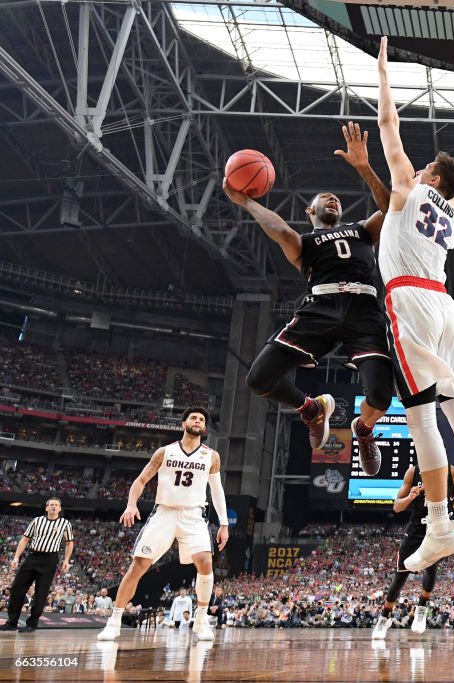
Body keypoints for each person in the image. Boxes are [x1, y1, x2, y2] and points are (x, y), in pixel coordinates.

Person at [376, 36, 454, 570]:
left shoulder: (407, 189)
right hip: (445, 306)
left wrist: (384, 75)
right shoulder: (447, 210)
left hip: (410, 301)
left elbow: (389, 128)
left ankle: (437, 525)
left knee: (422, 421)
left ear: (428, 176)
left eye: (425, 166)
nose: (418, 167)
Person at [222, 122, 394, 475]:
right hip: (320, 308)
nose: (332, 199)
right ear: (309, 211)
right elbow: (280, 230)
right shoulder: (305, 243)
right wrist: (248, 202)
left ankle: (363, 430)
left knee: (380, 397)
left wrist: (363, 167)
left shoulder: (362, 231)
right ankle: (311, 409)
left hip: (364, 309)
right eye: (324, 198)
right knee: (258, 380)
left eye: (337, 199)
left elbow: (393, 207)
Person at [97, 406, 229, 642]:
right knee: (139, 565)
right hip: (165, 513)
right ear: (183, 424)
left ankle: (200, 619)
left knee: (206, 562)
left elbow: (217, 492)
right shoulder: (164, 452)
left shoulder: (211, 456)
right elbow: (141, 480)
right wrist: (131, 504)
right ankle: (114, 620)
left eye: (201, 419)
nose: (197, 421)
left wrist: (224, 524)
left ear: (205, 428)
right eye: (193, 418)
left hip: (194, 515)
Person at [372, 464, 454, 639]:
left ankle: (422, 609)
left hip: (438, 528)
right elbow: (397, 507)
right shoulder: (413, 472)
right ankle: (384, 618)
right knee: (400, 575)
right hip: (416, 530)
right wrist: (411, 496)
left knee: (431, 569)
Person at [1, 497, 74, 633]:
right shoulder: (37, 520)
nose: (53, 507)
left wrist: (66, 560)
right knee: (17, 588)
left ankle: (31, 624)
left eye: (56, 505)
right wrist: (16, 557)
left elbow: (69, 543)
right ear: (46, 508)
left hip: (50, 559)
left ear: (59, 508)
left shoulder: (65, 523)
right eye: (51, 504)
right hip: (33, 556)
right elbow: (25, 539)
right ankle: (11, 622)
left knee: (41, 593)